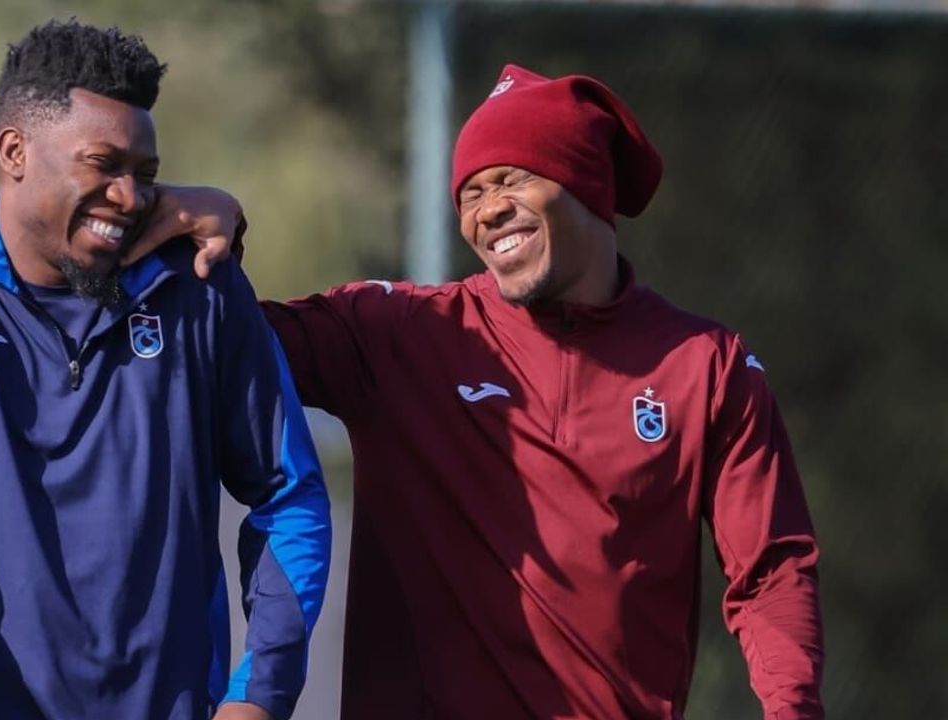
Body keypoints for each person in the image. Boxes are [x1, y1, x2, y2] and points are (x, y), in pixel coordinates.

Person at [161, 64, 825, 718]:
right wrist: (195, 226)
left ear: (586, 182)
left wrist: (792, 707)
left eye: (513, 179)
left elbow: (771, 570)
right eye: (470, 194)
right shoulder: (402, 332)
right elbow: (208, 343)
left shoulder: (708, 365)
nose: (488, 209)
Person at [0, 20, 330, 720]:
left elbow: (289, 496)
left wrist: (260, 695)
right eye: (104, 165)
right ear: (14, 151)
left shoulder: (201, 291)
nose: (130, 197)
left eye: (146, 174)